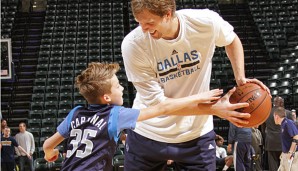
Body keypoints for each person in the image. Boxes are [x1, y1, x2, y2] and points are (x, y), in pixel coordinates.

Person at [121, 0, 270, 170]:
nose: (144, 29)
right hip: (148, 133)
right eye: (139, 22)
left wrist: (241, 79)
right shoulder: (133, 44)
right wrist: (212, 109)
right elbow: (160, 105)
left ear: (168, 14)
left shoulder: (205, 22)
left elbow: (231, 39)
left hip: (196, 134)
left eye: (149, 23)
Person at [43, 62, 227, 171]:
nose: (122, 87)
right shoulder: (115, 115)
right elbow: (162, 108)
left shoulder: (75, 112)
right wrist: (199, 97)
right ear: (106, 97)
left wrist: (51, 154)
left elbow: (47, 145)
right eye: (117, 86)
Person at [263, 96, 286, 171]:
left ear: (273, 103)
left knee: (272, 165)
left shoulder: (266, 113)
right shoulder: (287, 113)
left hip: (270, 142)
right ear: (281, 103)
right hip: (283, 142)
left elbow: (263, 129)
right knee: (284, 165)